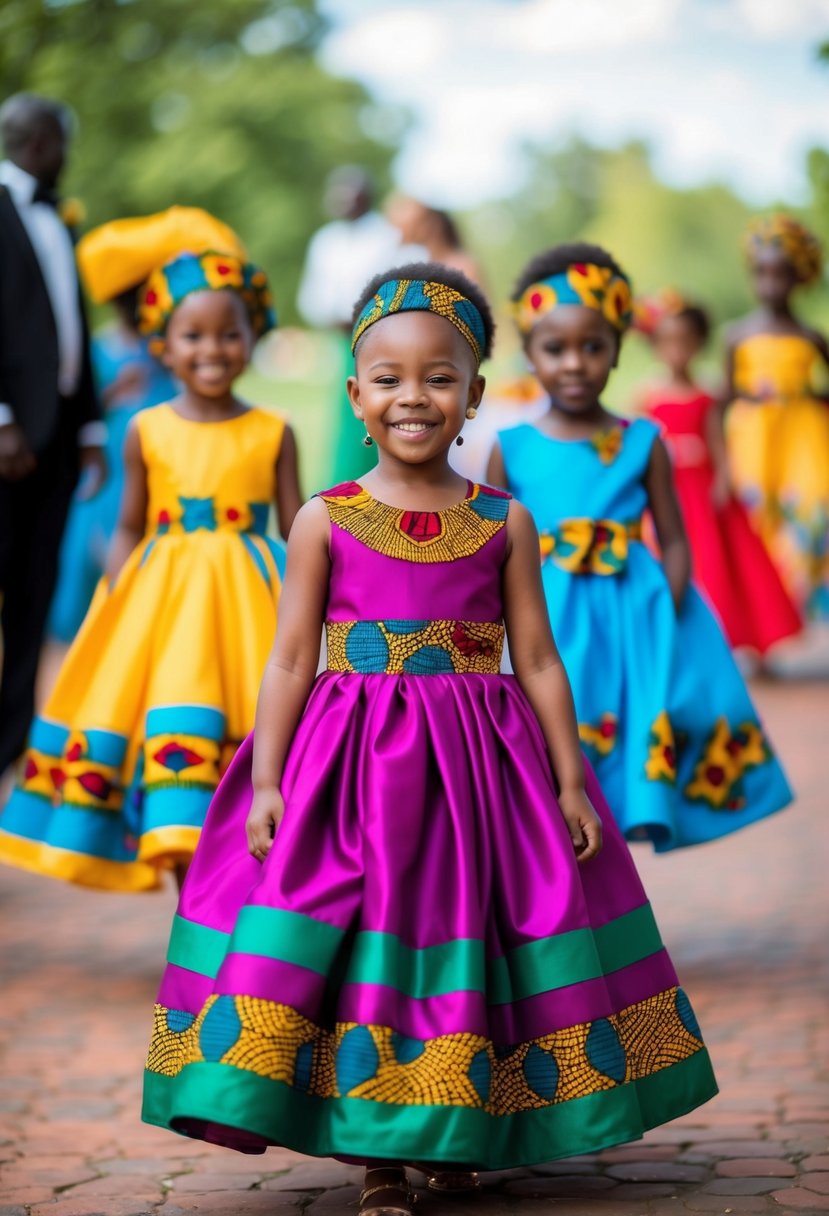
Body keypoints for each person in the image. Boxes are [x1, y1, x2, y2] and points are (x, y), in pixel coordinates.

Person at [142, 262, 717, 1213]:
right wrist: (268, 782)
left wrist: (571, 783)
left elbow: (535, 660)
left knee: (469, 938)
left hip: (477, 777)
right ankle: (377, 1157)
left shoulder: (504, 521)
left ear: (476, 397)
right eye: (390, 378)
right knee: (366, 940)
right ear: (355, 396)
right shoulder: (324, 519)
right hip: (350, 770)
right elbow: (290, 662)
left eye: (440, 377)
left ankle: (453, 1133)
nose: (415, 396)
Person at [0, 251, 302, 892]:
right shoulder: (146, 429)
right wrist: (116, 595)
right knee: (173, 745)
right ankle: (190, 896)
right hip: (164, 606)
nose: (213, 350)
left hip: (250, 607)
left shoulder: (274, 430)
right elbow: (132, 524)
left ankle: (235, 895)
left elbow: (298, 525)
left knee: (252, 740)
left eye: (230, 333)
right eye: (193, 336)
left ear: (254, 338)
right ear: (162, 345)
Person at [488, 243, 792, 852]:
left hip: (633, 619)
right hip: (548, 621)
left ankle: (614, 897)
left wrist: (668, 608)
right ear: (530, 355)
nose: (574, 363)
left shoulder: (642, 441)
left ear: (619, 350)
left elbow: (675, 538)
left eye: (593, 346)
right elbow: (489, 546)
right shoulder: (511, 447)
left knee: (626, 745)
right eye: (555, 348)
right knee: (556, 744)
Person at [48, 207, 249, 641]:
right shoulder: (100, 349)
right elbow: (76, 415)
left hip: (168, 472)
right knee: (91, 571)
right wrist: (109, 396)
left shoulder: (174, 349)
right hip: (107, 475)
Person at [0, 93, 105, 779]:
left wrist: (90, 424)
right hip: (7, 436)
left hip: (61, 438)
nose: (67, 153)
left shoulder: (60, 220)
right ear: (39, 141)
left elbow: (74, 331)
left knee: (37, 591)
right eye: (62, 139)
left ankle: (10, 746)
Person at [636, 291, 801, 656]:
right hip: (669, 489)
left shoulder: (706, 393)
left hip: (704, 487)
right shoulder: (648, 394)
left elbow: (717, 439)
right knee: (676, 557)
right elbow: (640, 444)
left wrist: (725, 475)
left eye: (685, 341)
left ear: (698, 343)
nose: (676, 351)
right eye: (667, 342)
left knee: (725, 563)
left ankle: (746, 640)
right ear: (655, 346)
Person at [724, 214, 829, 618]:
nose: (771, 284)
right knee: (757, 514)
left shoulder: (811, 336)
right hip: (755, 437)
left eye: (781, 275)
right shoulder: (738, 335)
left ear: (799, 277)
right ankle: (768, 610)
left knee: (811, 509)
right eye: (762, 274)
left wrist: (803, 394)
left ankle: (802, 604)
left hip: (804, 433)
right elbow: (725, 397)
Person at [296, 166, 426, 484]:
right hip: (343, 340)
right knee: (347, 412)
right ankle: (346, 483)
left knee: (379, 405)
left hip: (380, 336)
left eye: (351, 192)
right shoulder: (325, 240)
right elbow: (313, 295)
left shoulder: (386, 236)